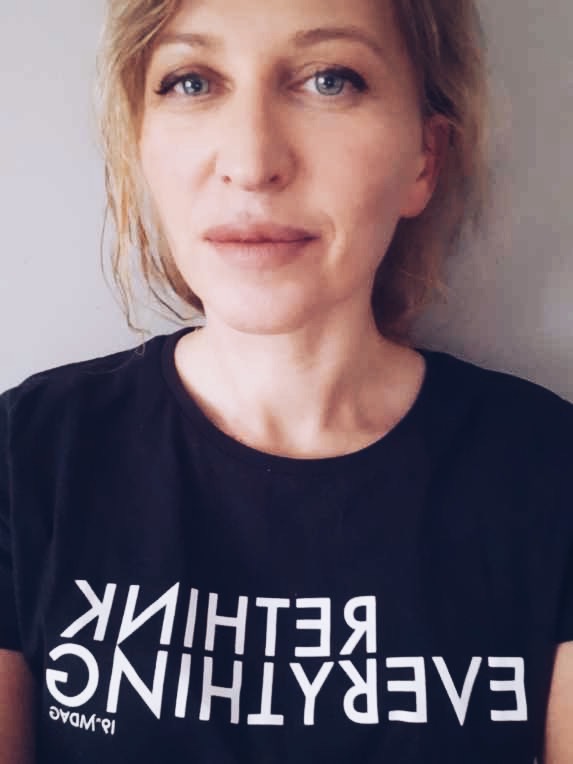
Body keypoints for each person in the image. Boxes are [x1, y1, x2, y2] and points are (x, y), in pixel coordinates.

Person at [0, 0, 571, 761]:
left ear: (424, 158)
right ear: (139, 141)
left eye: (329, 79)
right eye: (192, 82)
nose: (251, 161)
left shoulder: (549, 470)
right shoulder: (27, 457)